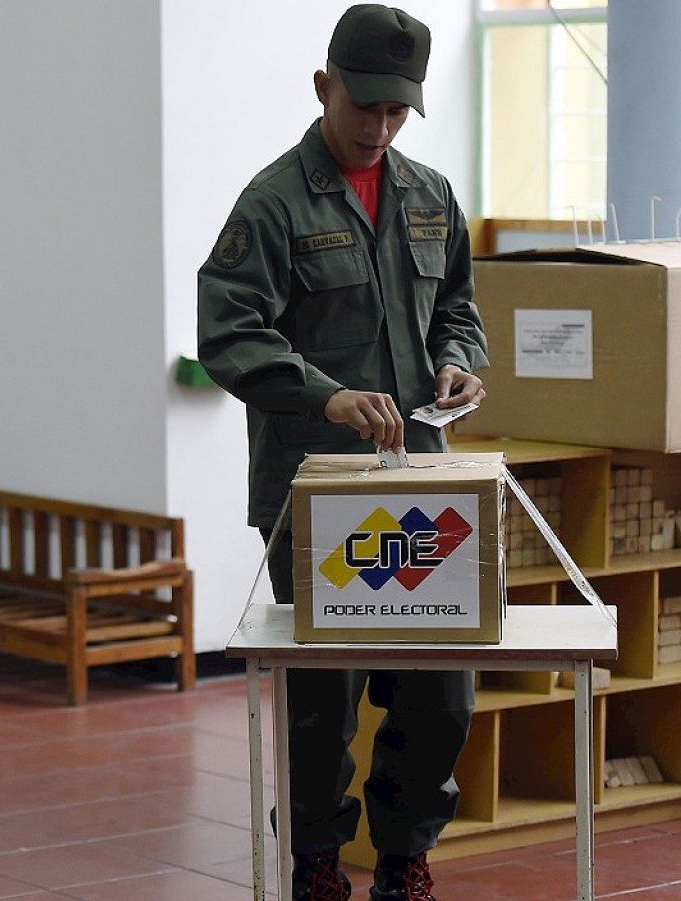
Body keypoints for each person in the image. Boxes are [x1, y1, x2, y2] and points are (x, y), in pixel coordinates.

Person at [197, 5, 487, 901]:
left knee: (440, 692)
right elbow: (228, 332)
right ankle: (318, 862)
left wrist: (459, 364)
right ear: (324, 87)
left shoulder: (431, 195)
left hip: (423, 489)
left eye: (399, 113)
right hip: (318, 495)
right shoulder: (274, 203)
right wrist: (327, 393)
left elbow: (460, 313)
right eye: (365, 107)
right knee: (325, 699)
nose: (380, 127)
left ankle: (406, 857)